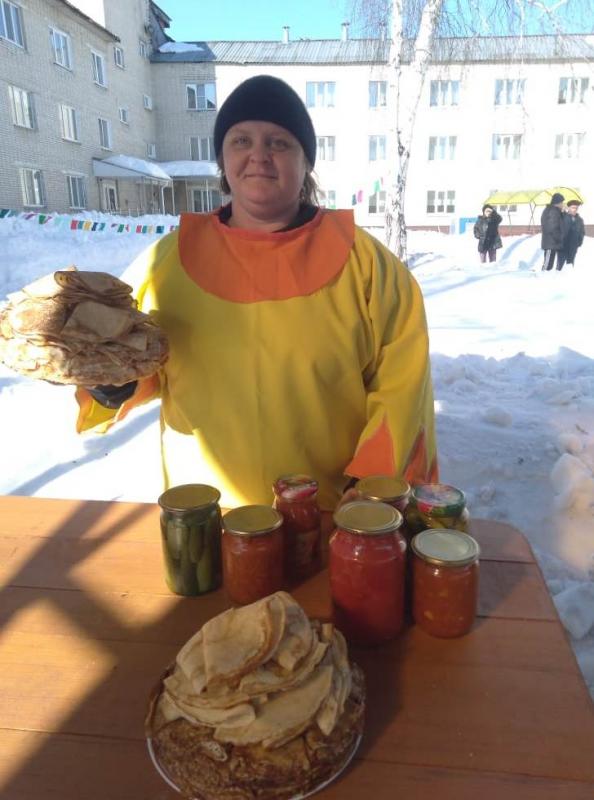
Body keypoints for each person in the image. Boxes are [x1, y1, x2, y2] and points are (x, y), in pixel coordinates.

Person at [75, 75, 438, 511]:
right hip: (207, 516)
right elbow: (131, 357)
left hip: (329, 513)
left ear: (306, 162)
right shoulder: (167, 263)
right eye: (241, 140)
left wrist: (372, 484)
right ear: (223, 160)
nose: (258, 156)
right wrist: (109, 386)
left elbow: (403, 386)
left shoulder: (368, 266)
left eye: (279, 143)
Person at [540, 192, 565, 271]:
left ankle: (549, 279)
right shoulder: (552, 211)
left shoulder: (556, 211)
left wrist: (563, 213)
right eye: (561, 202)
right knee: (547, 266)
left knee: (552, 265)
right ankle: (541, 279)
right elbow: (552, 228)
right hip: (551, 242)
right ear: (557, 202)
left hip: (554, 242)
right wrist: (560, 238)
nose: (563, 204)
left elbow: (561, 224)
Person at [559, 200, 585, 269]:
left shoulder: (580, 220)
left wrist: (579, 243)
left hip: (573, 247)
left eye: (576, 208)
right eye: (573, 207)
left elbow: (582, 233)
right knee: (559, 267)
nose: (575, 210)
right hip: (562, 247)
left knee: (570, 267)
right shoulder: (563, 217)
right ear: (569, 208)